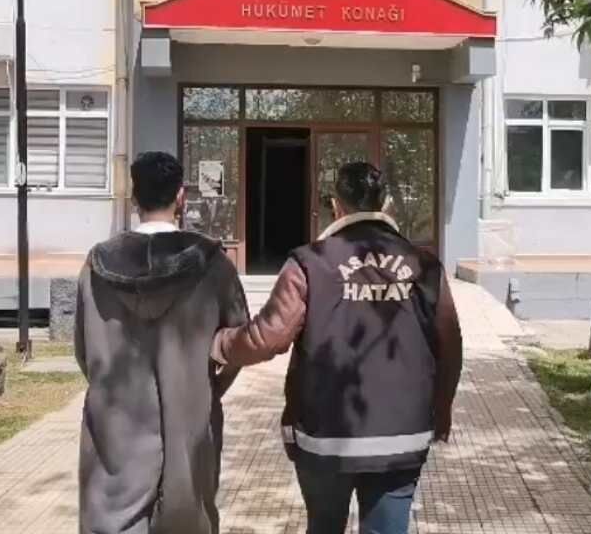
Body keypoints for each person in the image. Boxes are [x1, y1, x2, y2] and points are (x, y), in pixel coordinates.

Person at [212, 161, 463, 534]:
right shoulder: (424, 266)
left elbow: (268, 337)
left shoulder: (309, 262)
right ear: (386, 203)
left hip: (325, 436)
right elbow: (451, 347)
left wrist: (218, 344)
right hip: (403, 436)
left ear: (336, 205)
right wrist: (441, 412)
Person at [76, 151, 249, 534]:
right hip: (190, 416)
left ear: (134, 197)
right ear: (181, 196)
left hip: (115, 420)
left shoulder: (97, 265)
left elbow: (84, 351)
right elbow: (241, 342)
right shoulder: (212, 263)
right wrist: (210, 387)